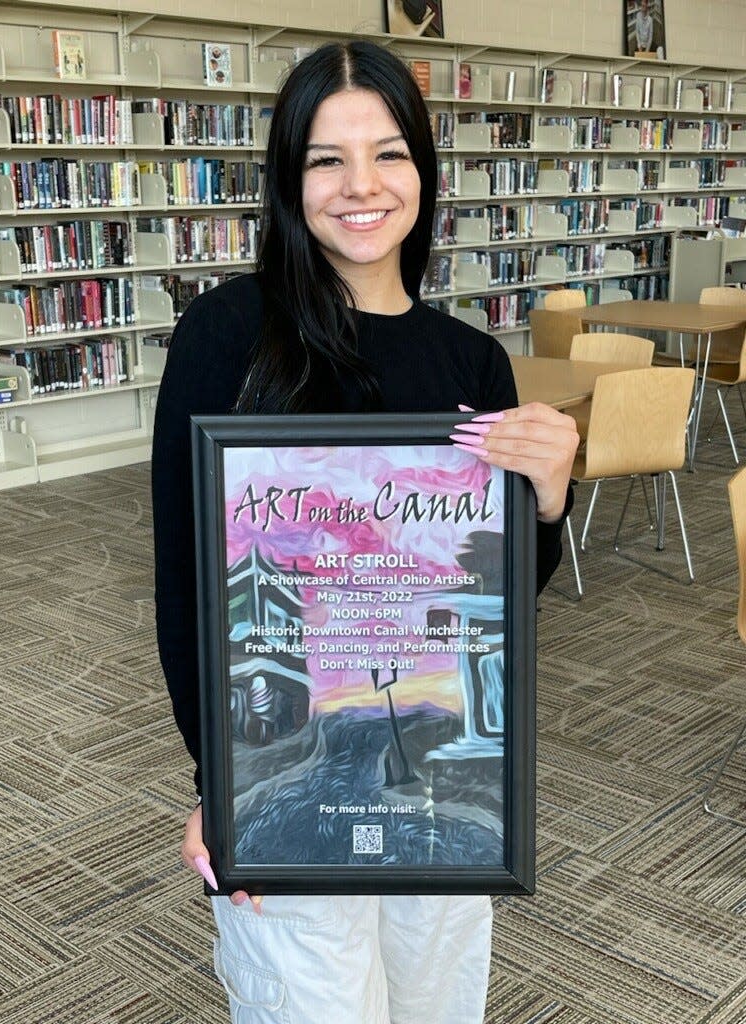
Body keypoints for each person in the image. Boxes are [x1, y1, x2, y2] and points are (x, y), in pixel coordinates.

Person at [152, 39, 578, 1024]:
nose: (360, 186)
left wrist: (550, 501)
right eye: (325, 159)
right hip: (288, 780)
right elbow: (188, 587)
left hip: (441, 782)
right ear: (287, 181)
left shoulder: (471, 362)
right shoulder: (227, 338)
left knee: (438, 1004)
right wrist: (224, 784)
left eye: (388, 153)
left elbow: (499, 598)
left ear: (423, 170)